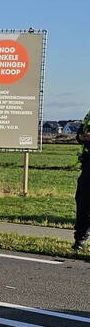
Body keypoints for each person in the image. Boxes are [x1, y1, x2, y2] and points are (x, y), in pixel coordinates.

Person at [75, 108, 90, 251]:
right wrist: (81, 137)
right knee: (83, 200)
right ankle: (80, 239)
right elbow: (78, 134)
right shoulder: (89, 114)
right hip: (88, 163)